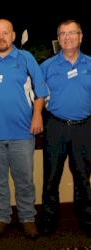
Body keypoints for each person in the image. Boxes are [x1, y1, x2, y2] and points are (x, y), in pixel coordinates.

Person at [0, 19, 48, 239]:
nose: (1, 37)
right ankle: (2, 217)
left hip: (22, 133)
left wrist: (37, 116)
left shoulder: (26, 59)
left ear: (13, 36)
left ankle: (27, 218)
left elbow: (40, 90)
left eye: (5, 33)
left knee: (24, 179)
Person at [39, 20, 91, 236]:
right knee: (51, 177)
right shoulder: (47, 66)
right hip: (55, 127)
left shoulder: (90, 63)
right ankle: (49, 220)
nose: (67, 37)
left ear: (80, 36)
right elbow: (38, 97)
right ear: (58, 39)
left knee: (82, 177)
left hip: (84, 128)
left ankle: (86, 219)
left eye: (72, 33)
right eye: (63, 34)